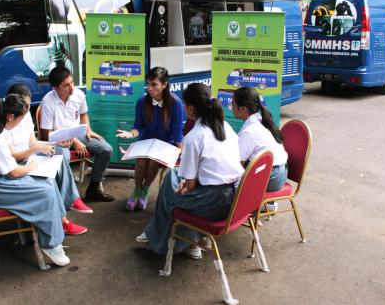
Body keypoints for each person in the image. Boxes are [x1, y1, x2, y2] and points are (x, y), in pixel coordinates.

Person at [136, 83, 244, 259]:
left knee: (169, 191)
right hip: (236, 198)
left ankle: (171, 241)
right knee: (172, 181)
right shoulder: (226, 126)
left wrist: (182, 188)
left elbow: (191, 185)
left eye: (185, 105)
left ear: (191, 109)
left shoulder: (194, 137)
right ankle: (194, 240)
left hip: (214, 203)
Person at [0, 94, 75, 266]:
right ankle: (51, 244)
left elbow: (10, 160)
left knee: (48, 181)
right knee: (45, 191)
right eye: (21, 119)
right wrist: (33, 166)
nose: (21, 123)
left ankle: (56, 228)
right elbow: (14, 173)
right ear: (10, 117)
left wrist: (32, 161)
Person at [3, 84, 92, 233]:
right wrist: (36, 150)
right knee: (49, 177)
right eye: (23, 107)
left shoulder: (23, 115)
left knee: (57, 149)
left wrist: (54, 142)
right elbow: (13, 156)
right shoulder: (6, 123)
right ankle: (63, 220)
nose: (26, 111)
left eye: (27, 106)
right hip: (18, 162)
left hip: (28, 156)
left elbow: (33, 142)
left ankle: (72, 200)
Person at [40, 66, 114, 202]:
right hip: (58, 139)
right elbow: (46, 135)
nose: (72, 88)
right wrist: (74, 141)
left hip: (78, 134)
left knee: (106, 149)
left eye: (72, 83)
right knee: (63, 158)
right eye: (66, 86)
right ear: (55, 88)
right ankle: (66, 197)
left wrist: (88, 129)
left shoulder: (78, 95)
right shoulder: (47, 102)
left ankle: (93, 189)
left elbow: (83, 114)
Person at [116, 67, 184, 211]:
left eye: (154, 84)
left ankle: (145, 190)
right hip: (146, 141)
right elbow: (138, 127)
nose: (149, 88)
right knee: (141, 161)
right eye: (148, 84)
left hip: (166, 143)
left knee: (153, 161)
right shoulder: (142, 101)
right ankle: (137, 189)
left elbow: (177, 131)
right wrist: (130, 134)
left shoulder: (175, 103)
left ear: (164, 84)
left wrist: (180, 153)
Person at [232, 86, 288, 210]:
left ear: (243, 108)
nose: (231, 108)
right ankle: (265, 204)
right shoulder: (259, 121)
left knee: (229, 185)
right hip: (280, 172)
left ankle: (258, 205)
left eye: (233, 104)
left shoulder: (249, 131)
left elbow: (236, 166)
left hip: (273, 177)